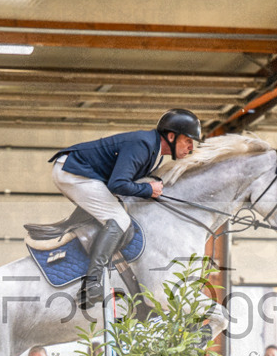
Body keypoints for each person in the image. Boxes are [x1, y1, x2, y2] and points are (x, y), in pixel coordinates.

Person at [49, 108, 203, 309]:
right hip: (73, 171)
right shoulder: (143, 145)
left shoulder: (153, 150)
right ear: (172, 136)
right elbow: (118, 184)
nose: (191, 147)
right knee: (119, 219)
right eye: (188, 140)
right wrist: (148, 189)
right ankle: (91, 284)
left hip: (80, 171)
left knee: (117, 213)